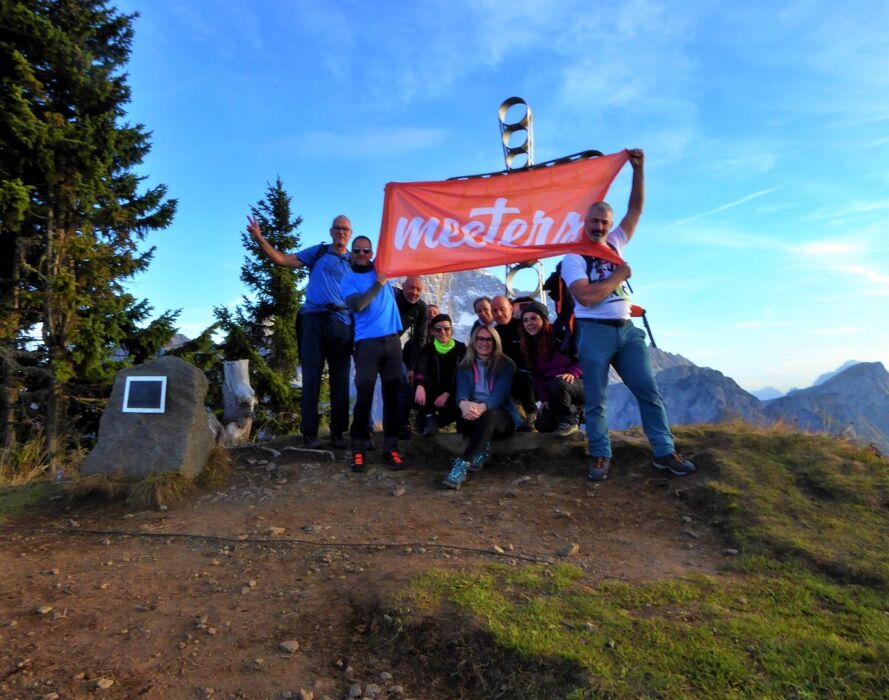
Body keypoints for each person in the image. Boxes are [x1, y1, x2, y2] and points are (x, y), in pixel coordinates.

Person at [560, 148, 695, 481]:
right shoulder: (573, 257)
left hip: (627, 331)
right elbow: (586, 297)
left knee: (648, 391)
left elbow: (636, 209)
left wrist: (639, 170)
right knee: (597, 397)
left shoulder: (617, 242)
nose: (600, 226)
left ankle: (664, 452)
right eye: (594, 221)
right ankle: (600, 455)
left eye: (604, 222)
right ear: (585, 222)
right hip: (594, 332)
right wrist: (619, 276)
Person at [247, 214, 352, 449]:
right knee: (312, 379)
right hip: (313, 320)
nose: (341, 232)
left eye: (345, 229)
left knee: (341, 381)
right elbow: (283, 260)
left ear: (350, 233)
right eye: (337, 228)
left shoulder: (355, 261)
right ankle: (310, 434)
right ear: (331, 231)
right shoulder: (318, 253)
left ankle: (338, 433)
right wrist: (259, 238)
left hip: (342, 323)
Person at [341, 236, 405, 472]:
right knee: (365, 395)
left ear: (371, 253)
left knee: (392, 397)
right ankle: (357, 448)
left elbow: (398, 244)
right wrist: (379, 283)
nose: (361, 254)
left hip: (392, 341)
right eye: (357, 250)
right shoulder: (348, 280)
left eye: (366, 250)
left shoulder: (382, 266)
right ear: (351, 254)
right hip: (367, 344)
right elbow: (358, 305)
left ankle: (391, 448)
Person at [442, 325, 516, 490]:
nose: (484, 343)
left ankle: (462, 464)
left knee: (488, 417)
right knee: (463, 415)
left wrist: (482, 408)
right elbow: (462, 391)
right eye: (480, 339)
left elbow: (499, 394)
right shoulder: (465, 365)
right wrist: (463, 404)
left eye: (488, 339)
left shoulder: (506, 365)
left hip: (500, 418)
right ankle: (482, 450)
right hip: (473, 414)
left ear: (495, 342)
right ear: (474, 342)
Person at [518, 301, 584, 436]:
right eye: (525, 320)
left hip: (578, 385)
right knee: (543, 425)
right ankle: (576, 412)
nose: (529, 323)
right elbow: (537, 377)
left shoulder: (560, 335)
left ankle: (570, 419)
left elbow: (583, 358)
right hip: (555, 390)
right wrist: (545, 400)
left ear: (544, 319)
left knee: (558, 383)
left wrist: (573, 373)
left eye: (534, 318)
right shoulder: (529, 346)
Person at [413, 314, 466, 436]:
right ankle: (427, 419)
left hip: (453, 392)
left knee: (460, 402)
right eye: (438, 329)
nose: (443, 332)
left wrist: (447, 393)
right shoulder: (428, 348)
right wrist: (420, 385)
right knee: (416, 391)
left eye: (446, 328)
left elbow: (463, 375)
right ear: (432, 332)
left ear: (451, 330)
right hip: (432, 392)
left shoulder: (461, 348)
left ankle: (433, 421)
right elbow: (419, 369)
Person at [490, 295, 537, 429]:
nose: (499, 314)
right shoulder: (494, 333)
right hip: (505, 375)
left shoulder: (524, 327)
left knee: (522, 377)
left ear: (511, 308)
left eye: (502, 309)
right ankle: (518, 423)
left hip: (528, 375)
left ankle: (531, 414)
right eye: (494, 310)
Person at [395, 275, 428, 437]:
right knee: (367, 384)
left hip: (393, 345)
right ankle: (365, 427)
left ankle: (401, 425)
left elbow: (420, 339)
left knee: (403, 381)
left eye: (418, 290)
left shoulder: (421, 308)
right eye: (411, 288)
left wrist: (412, 367)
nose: (414, 293)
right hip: (371, 342)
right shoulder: (392, 296)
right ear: (403, 286)